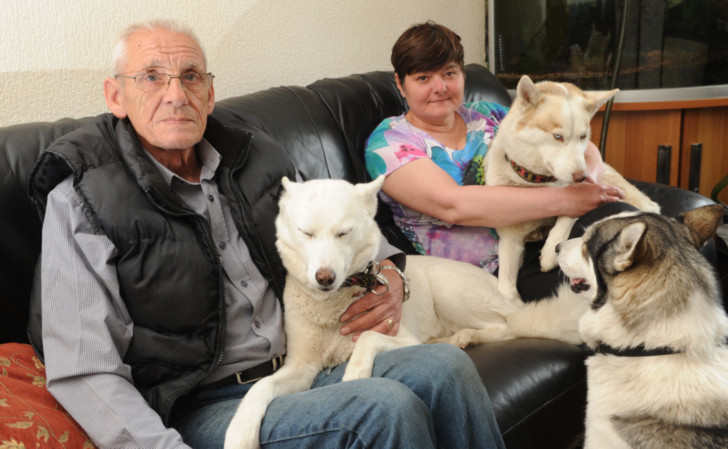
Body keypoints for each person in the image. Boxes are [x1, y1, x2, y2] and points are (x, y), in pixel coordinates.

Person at [27, 20, 505, 449]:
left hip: (303, 362)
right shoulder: (81, 199)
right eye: (151, 78)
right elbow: (85, 371)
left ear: (210, 94)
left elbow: (339, 221)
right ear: (115, 96)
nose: (175, 95)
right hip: (201, 405)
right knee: (383, 407)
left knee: (446, 366)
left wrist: (390, 270)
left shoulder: (255, 155)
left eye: (191, 76)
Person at [365, 21, 629, 301]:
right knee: (613, 286)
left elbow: (576, 141)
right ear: (400, 84)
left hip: (552, 240)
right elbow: (453, 205)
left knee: (627, 226)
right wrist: (568, 200)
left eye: (449, 73)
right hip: (489, 274)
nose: (440, 87)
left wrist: (592, 182)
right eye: (423, 78)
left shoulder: (489, 114)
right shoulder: (389, 143)